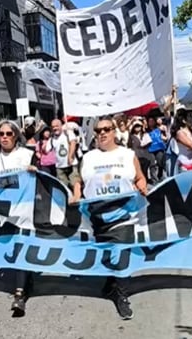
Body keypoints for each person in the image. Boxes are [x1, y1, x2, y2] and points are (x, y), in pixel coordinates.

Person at [72, 116, 147, 320]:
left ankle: (122, 297)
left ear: (115, 131)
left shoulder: (127, 154)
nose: (102, 133)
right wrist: (76, 194)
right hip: (98, 216)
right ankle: (110, 283)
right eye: (98, 131)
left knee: (120, 256)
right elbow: (78, 180)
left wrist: (142, 186)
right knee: (106, 255)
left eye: (106, 129)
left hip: (124, 215)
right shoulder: (88, 157)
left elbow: (140, 178)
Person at [0, 120, 37, 316]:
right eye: (1, 134)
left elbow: (43, 180)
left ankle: (19, 295)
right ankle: (28, 277)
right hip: (4, 212)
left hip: (25, 210)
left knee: (21, 248)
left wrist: (35, 171)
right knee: (13, 248)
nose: (4, 137)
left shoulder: (27, 155)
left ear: (16, 136)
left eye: (9, 134)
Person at [46, 119, 81, 193]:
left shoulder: (67, 133)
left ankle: (77, 198)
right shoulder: (52, 139)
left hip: (71, 164)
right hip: (60, 167)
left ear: (61, 126)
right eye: (53, 127)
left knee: (75, 183)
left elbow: (73, 143)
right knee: (63, 186)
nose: (55, 128)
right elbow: (46, 150)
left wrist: (70, 156)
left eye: (57, 126)